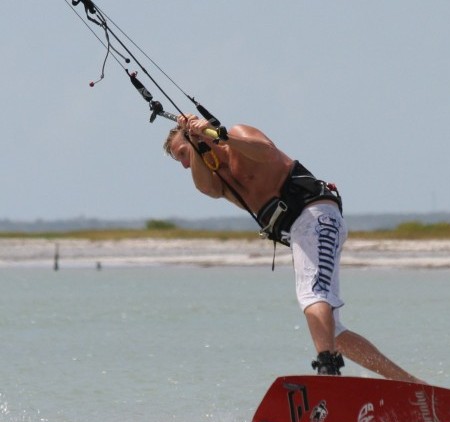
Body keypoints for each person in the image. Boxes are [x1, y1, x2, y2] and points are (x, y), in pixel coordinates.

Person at [164, 114, 422, 383]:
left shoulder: (238, 136)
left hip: (315, 215)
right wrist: (193, 144)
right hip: (301, 231)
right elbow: (205, 187)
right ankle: (409, 382)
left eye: (182, 153)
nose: (184, 164)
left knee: (313, 295)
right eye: (180, 160)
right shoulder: (218, 178)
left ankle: (328, 372)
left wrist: (214, 133)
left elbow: (266, 151)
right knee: (332, 332)